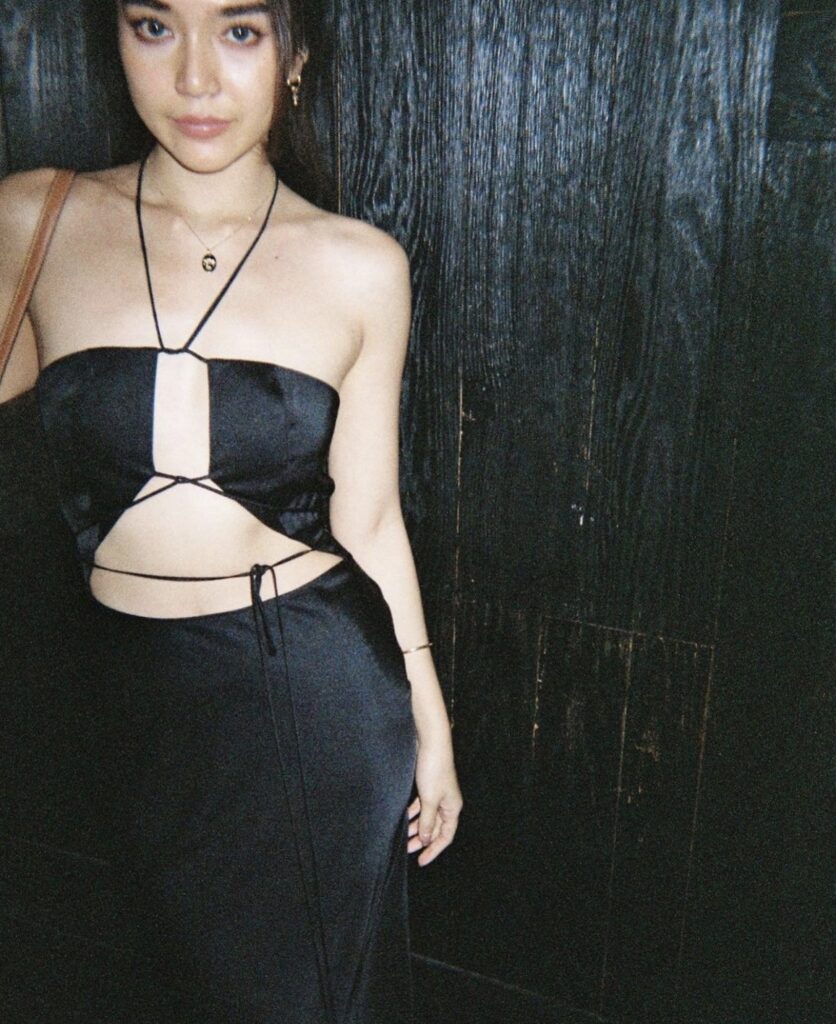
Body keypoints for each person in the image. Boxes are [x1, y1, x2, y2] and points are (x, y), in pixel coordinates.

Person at [0, 1, 462, 1021]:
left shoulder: (360, 265)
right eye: (155, 27)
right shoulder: (36, 221)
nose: (196, 78)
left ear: (294, 56)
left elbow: (371, 518)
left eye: (240, 32)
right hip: (130, 704)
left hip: (305, 694)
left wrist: (431, 726)